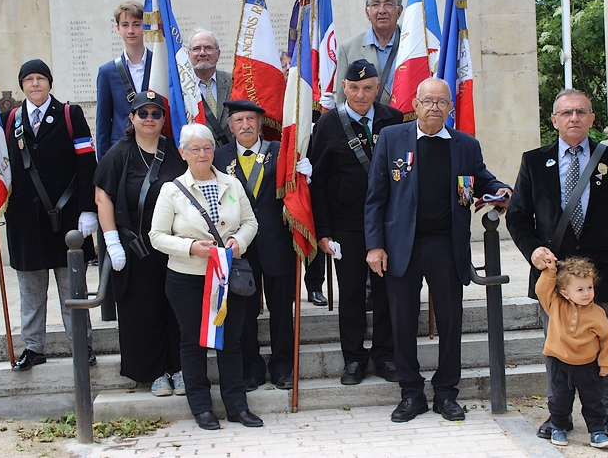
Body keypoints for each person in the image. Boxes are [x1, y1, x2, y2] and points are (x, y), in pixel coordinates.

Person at [506, 87, 608, 444]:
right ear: (554, 120)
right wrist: (533, 251)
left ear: (592, 118)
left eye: (581, 112)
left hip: (601, 273)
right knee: (558, 348)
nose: (574, 118)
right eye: (566, 113)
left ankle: (606, 416)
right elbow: (517, 217)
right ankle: (559, 416)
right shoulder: (534, 161)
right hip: (555, 275)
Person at [365, 77, 511, 423]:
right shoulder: (391, 139)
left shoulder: (465, 145)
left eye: (441, 102)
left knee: (449, 319)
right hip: (402, 245)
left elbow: (483, 179)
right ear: (414, 105)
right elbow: (375, 197)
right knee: (402, 321)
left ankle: (446, 393)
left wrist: (502, 190)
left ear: (450, 108)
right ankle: (411, 393)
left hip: (446, 244)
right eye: (427, 101)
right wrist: (375, 246)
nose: (433, 108)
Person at [149, 123, 261, 430]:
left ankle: (237, 406)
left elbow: (250, 222)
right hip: (188, 278)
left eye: (208, 148)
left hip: (229, 276)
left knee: (232, 342)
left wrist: (239, 242)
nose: (202, 154)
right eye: (195, 149)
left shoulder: (232, 184)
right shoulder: (171, 190)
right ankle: (201, 408)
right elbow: (156, 236)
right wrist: (190, 248)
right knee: (193, 342)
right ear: (183, 153)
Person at [311, 59, 403, 386]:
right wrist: (323, 232)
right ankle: (353, 359)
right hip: (346, 226)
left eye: (367, 88)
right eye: (353, 88)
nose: (360, 95)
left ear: (377, 88)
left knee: (386, 292)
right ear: (344, 88)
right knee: (350, 294)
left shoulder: (394, 120)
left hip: (388, 225)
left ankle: (386, 355)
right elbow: (317, 183)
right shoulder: (327, 125)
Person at [2, 59, 98, 371]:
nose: (35, 84)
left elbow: (87, 164)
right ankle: (33, 347)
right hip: (25, 222)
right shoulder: (9, 120)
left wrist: (88, 209)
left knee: (72, 288)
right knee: (30, 290)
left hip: (67, 218)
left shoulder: (70, 116)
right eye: (28, 79)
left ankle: (81, 346)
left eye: (40, 78)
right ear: (22, 86)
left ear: (49, 83)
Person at [93, 91, 186, 396]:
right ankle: (154, 373)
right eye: (142, 114)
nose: (149, 119)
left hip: (174, 246)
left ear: (164, 119)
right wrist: (111, 241)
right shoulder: (118, 154)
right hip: (135, 247)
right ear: (131, 118)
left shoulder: (175, 151)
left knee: (177, 309)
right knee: (142, 311)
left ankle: (181, 368)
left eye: (156, 114)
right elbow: (102, 196)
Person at [214, 100, 309, 391]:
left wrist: (306, 174)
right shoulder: (218, 157)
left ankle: (282, 367)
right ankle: (251, 368)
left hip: (276, 242)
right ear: (230, 125)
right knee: (243, 311)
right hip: (238, 246)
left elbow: (296, 192)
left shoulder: (280, 152)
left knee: (282, 310)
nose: (245, 125)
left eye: (250, 119)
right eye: (239, 120)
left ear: (260, 123)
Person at [535, 256, 608, 449]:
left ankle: (597, 432)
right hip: (559, 362)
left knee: (592, 399)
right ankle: (558, 426)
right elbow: (541, 289)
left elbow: (607, 338)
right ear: (565, 292)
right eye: (580, 290)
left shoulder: (597, 313)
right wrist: (550, 271)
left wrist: (605, 363)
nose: (587, 293)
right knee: (559, 398)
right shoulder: (555, 305)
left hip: (587, 365)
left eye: (590, 288)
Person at [96, 1, 152, 159]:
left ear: (145, 26)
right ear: (118, 28)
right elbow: (103, 124)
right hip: (120, 151)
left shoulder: (159, 66)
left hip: (155, 147)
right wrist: (103, 165)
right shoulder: (107, 72)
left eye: (137, 24)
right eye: (125, 25)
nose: (131, 30)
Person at [335, 0, 403, 108]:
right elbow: (341, 100)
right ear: (367, 12)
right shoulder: (349, 48)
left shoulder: (413, 44)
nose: (382, 11)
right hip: (368, 125)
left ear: (399, 11)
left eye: (388, 4)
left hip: (407, 124)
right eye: (375, 5)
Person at [188, 29, 233, 147]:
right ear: (189, 54)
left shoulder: (233, 82)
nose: (202, 53)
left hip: (230, 158)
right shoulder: (182, 87)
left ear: (218, 53)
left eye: (208, 48)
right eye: (196, 48)